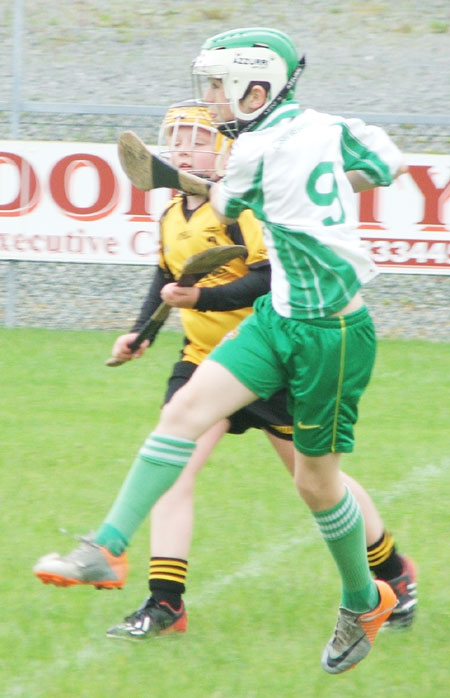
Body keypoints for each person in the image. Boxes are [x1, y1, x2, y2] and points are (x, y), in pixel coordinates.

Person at [34, 97, 416, 657]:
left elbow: (265, 280)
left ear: (224, 147)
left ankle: (389, 572)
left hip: (279, 354)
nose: (184, 148)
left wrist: (203, 295)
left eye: (197, 137)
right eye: (178, 137)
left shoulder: (245, 204)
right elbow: (166, 276)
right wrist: (142, 332)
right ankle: (161, 599)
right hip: (208, 354)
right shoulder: (171, 213)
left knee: (315, 481)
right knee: (176, 453)